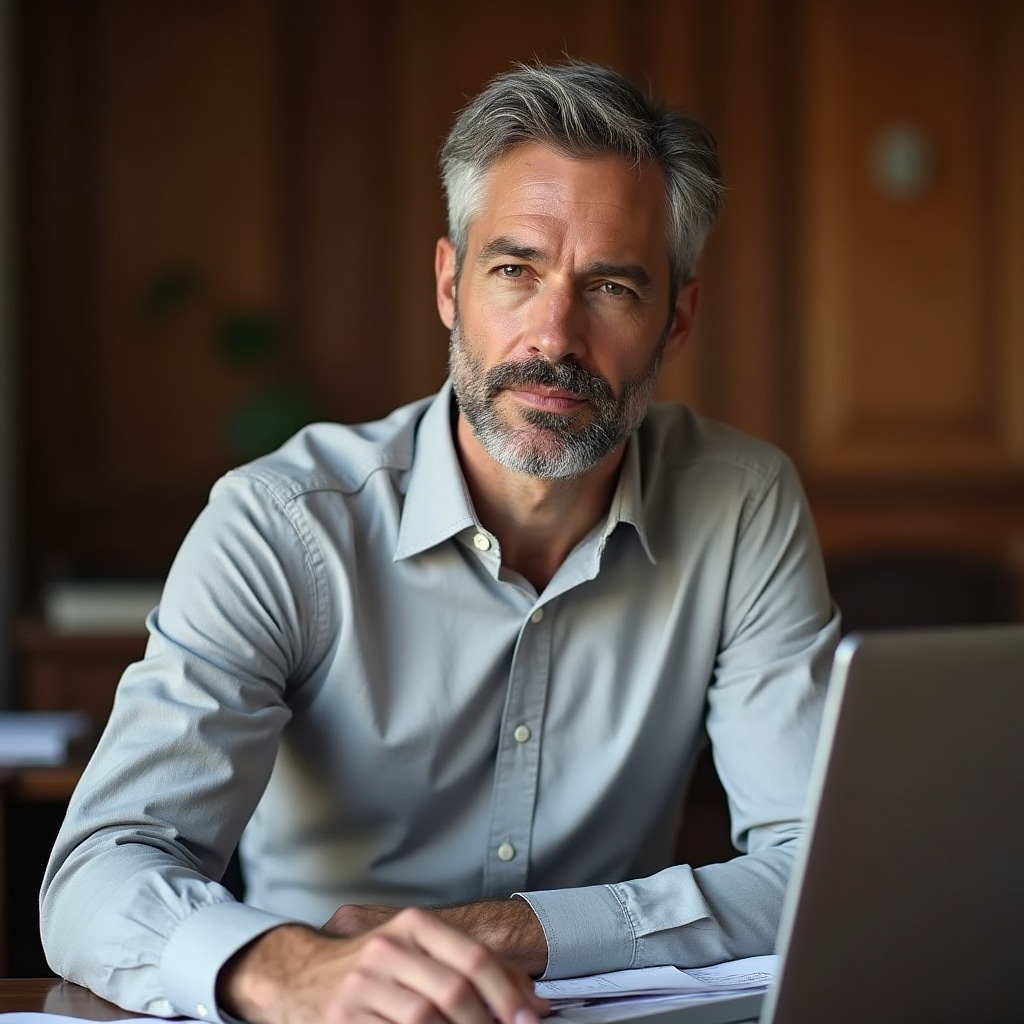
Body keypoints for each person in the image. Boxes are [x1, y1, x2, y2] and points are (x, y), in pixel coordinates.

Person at [40, 59, 839, 1024]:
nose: (554, 333)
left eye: (613, 286)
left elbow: (815, 867)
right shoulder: (281, 522)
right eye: (515, 270)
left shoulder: (741, 503)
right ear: (450, 286)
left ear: (677, 322)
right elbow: (99, 871)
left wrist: (515, 930)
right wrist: (287, 970)